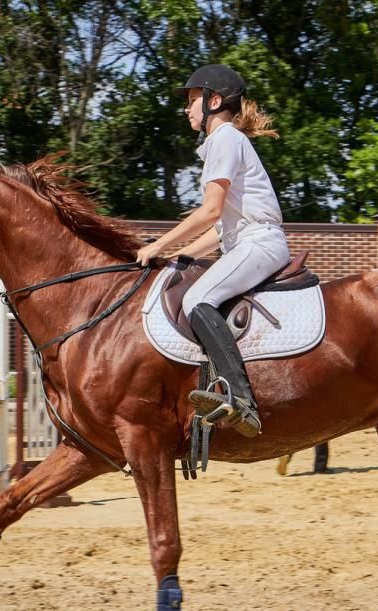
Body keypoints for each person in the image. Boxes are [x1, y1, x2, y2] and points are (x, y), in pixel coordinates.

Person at [136, 64, 290, 437]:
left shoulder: (224, 139)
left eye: (192, 101)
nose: (187, 110)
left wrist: (158, 243)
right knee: (194, 286)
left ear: (214, 101)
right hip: (245, 240)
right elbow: (220, 233)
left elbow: (210, 211)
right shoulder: (224, 143)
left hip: (259, 242)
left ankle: (241, 398)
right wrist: (180, 256)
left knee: (196, 300)